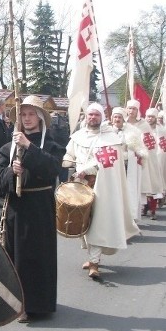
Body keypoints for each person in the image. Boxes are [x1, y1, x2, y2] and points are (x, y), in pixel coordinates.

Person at [0, 96, 64, 323]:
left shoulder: (51, 145)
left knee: (38, 256)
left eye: (31, 114)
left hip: (40, 207)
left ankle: (39, 302)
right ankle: (19, 303)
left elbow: (53, 169)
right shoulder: (7, 148)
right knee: (17, 257)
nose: (27, 118)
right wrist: (11, 172)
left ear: (41, 118)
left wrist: (29, 147)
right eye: (23, 115)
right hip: (16, 207)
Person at [63, 103, 140, 279]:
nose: (93, 118)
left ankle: (94, 262)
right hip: (80, 186)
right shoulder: (78, 136)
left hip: (102, 187)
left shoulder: (110, 138)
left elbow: (106, 162)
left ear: (102, 117)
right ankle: (91, 258)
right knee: (83, 223)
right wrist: (68, 162)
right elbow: (68, 154)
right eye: (90, 115)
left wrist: (87, 170)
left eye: (96, 115)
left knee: (98, 224)